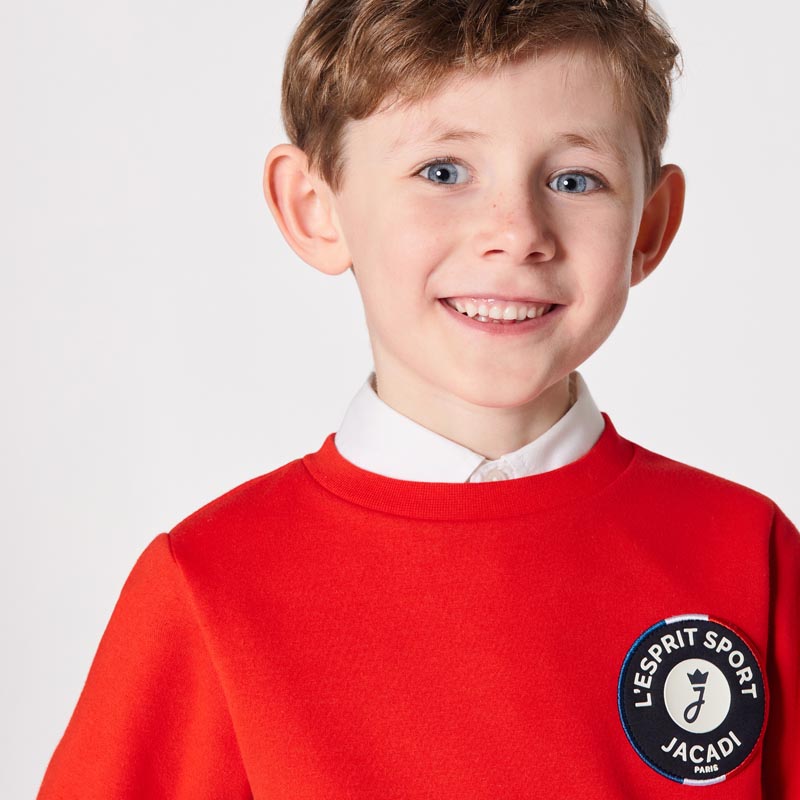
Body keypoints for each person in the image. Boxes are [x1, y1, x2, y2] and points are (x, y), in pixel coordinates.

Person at [37, 0, 799, 797]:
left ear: (648, 225)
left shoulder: (748, 552)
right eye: (443, 172)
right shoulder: (208, 585)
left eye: (575, 180)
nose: (517, 232)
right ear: (315, 208)